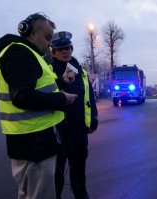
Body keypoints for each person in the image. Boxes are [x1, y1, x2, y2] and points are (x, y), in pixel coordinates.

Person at [0, 13, 78, 199]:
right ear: (31, 33)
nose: (49, 43)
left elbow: (39, 89)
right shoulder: (19, 53)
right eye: (47, 37)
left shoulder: (27, 54)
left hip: (35, 144)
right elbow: (23, 97)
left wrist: (60, 82)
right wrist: (62, 99)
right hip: (34, 147)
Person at [51, 31, 98, 199]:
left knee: (78, 166)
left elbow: (89, 97)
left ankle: (81, 194)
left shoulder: (81, 71)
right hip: (57, 130)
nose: (65, 52)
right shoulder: (48, 71)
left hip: (78, 128)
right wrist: (61, 81)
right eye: (61, 49)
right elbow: (43, 96)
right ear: (53, 52)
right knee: (56, 172)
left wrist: (93, 119)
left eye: (68, 48)